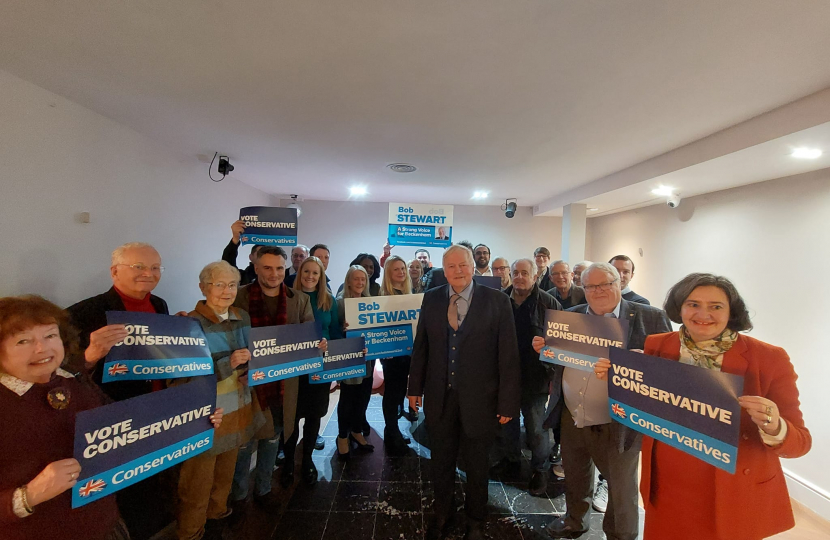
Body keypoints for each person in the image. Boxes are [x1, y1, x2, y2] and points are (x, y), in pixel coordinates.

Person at [595, 273, 811, 540]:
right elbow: (650, 407)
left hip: (731, 492)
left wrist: (774, 425)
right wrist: (619, 378)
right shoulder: (658, 344)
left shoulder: (768, 358)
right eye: (693, 304)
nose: (703, 314)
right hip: (668, 487)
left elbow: (800, 442)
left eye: (715, 306)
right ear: (680, 307)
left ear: (731, 311)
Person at [533, 262, 672, 540]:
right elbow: (557, 364)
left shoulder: (651, 318)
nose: (598, 291)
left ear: (619, 283)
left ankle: (621, 535)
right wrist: (545, 349)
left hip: (619, 418)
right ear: (582, 288)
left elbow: (669, 372)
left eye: (605, 284)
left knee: (621, 486)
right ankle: (575, 520)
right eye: (590, 286)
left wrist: (642, 362)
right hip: (572, 412)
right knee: (575, 473)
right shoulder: (570, 316)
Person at [408, 245, 520, 540]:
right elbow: (421, 346)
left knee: (477, 464)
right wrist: (414, 388)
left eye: (463, 265)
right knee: (441, 461)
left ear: (473, 267)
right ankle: (443, 512)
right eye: (451, 266)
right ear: (443, 270)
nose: (457, 270)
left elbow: (508, 356)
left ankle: (476, 520)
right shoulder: (432, 298)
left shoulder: (497, 301)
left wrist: (508, 402)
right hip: (439, 396)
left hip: (481, 399)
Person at [65, 242, 172, 539]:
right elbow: (61, 373)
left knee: (151, 476)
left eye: (155, 268)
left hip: (156, 408)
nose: (148, 273)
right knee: (121, 489)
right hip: (113, 415)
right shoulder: (84, 313)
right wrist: (91, 355)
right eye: (139, 267)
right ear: (114, 272)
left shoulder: (160, 304)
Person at [1, 295, 129, 540]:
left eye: (50, 335)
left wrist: (195, 420)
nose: (42, 348)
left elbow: (125, 423)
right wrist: (28, 496)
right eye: (23, 341)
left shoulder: (74, 380)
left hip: (105, 523)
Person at [176, 261, 262, 540]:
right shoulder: (188, 324)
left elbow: (251, 358)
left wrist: (250, 372)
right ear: (203, 288)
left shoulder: (242, 316)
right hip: (206, 416)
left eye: (233, 285)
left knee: (225, 475)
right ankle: (191, 532)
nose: (227, 291)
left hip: (237, 407)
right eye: (220, 285)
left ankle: (216, 519)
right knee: (197, 482)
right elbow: (181, 380)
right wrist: (228, 364)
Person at [229, 247, 317, 511]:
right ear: (255, 267)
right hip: (244, 383)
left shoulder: (299, 300)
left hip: (282, 384)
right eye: (267, 267)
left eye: (279, 268)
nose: (274, 274)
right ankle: (238, 496)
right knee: (243, 443)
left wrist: (318, 344)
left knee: (272, 437)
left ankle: (264, 489)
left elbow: (308, 338)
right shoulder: (238, 297)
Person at [497, 259, 562, 496]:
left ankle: (539, 469)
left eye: (525, 273)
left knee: (536, 428)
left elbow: (560, 343)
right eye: (515, 272)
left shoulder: (549, 303)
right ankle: (511, 460)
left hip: (535, 377)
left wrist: (553, 374)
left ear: (535, 276)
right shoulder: (500, 300)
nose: (519, 277)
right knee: (507, 424)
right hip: (505, 376)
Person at [290, 256, 342, 484]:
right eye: (306, 271)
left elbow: (335, 332)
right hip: (293, 368)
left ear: (321, 277)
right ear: (299, 273)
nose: (310, 276)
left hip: (320, 367)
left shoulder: (329, 300)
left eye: (315, 273)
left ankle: (307, 460)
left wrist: (331, 344)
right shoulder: (288, 298)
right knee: (292, 417)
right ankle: (288, 461)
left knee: (314, 415)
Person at [334, 265, 376, 459]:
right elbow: (333, 331)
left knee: (362, 398)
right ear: (348, 281)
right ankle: (342, 436)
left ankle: (357, 431)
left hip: (367, 359)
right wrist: (342, 329)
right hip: (348, 359)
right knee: (347, 399)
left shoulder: (369, 301)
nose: (360, 282)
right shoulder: (340, 303)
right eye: (356, 278)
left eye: (363, 279)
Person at [379, 255, 416, 455]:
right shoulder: (382, 296)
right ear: (388, 273)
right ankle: (391, 433)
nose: (401, 272)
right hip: (391, 353)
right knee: (392, 394)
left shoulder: (409, 294)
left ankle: (393, 431)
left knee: (400, 391)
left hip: (407, 352)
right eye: (396, 269)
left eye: (403, 268)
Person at [221, 219, 265, 285]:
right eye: (261, 253)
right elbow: (227, 266)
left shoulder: (279, 277)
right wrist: (235, 239)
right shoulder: (242, 277)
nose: (265, 257)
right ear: (251, 257)